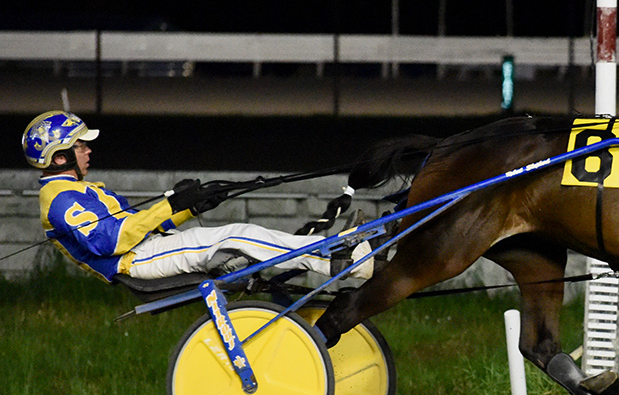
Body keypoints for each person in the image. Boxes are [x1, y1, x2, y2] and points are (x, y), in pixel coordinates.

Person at [22, 110, 371, 283]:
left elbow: (141, 227)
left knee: (246, 238)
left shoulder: (76, 190)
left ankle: (331, 252)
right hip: (134, 262)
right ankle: (336, 262)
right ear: (59, 156)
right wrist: (172, 203)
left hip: (146, 249)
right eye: (81, 146)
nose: (88, 152)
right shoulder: (62, 201)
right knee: (238, 234)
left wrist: (191, 208)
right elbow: (110, 241)